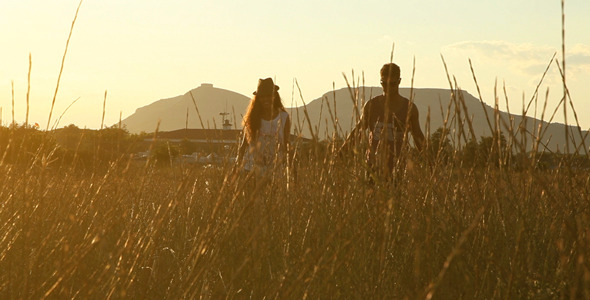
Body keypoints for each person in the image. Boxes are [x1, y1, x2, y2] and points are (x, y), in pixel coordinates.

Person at [340, 63, 425, 181]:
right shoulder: (371, 106)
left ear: (399, 81)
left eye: (392, 84)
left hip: (398, 171)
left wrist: (431, 163)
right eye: (384, 83)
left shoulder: (409, 108)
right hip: (373, 169)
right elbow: (358, 131)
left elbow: (418, 137)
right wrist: (341, 153)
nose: (388, 87)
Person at [236, 78, 292, 182]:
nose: (265, 99)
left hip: (275, 171)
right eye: (262, 96)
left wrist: (290, 170)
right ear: (258, 99)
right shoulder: (252, 118)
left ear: (274, 96)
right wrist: (237, 168)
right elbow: (244, 145)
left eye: (268, 96)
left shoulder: (283, 117)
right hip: (251, 169)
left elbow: (286, 144)